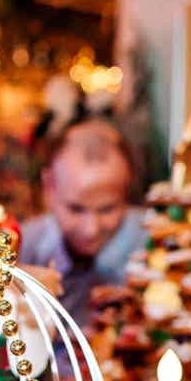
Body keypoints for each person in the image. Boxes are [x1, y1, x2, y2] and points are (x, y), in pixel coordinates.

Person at [19, 119, 145, 328]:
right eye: (76, 209)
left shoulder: (154, 243)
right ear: (49, 188)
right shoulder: (21, 249)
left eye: (107, 209)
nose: (91, 230)